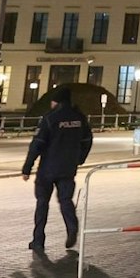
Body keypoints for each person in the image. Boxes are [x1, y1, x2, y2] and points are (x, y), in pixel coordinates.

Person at [22, 88, 94, 252]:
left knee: (42, 203)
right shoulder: (79, 118)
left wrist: (27, 168)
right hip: (68, 167)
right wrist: (80, 158)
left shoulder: (50, 118)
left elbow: (37, 144)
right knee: (66, 200)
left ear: (57, 102)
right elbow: (87, 140)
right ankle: (72, 226)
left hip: (47, 168)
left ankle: (38, 240)